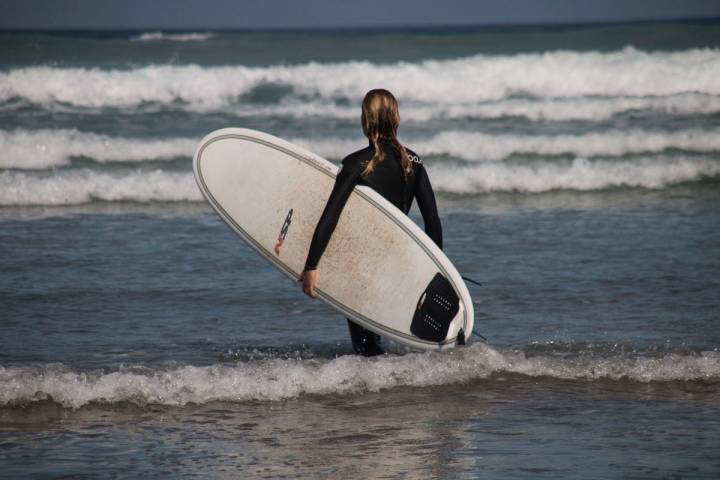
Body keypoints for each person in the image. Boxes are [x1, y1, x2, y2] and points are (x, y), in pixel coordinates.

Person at [299, 88, 443, 356]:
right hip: (398, 260)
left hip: (362, 262)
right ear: (397, 119)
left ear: (365, 121)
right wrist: (433, 273)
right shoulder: (414, 162)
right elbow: (432, 222)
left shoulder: (355, 163)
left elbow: (331, 215)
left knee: (364, 344)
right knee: (379, 334)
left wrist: (311, 265)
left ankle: (374, 391)